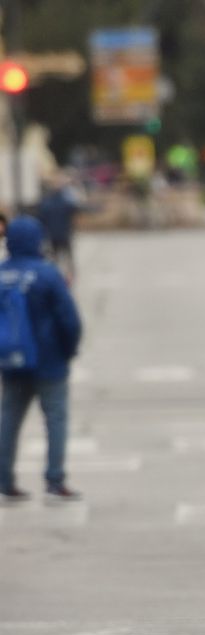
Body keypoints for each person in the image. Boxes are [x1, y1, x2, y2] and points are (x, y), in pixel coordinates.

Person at [0, 216, 84, 504]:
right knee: (56, 420)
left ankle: (5, 480)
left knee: (9, 420)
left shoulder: (1, 274)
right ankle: (54, 479)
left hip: (11, 362)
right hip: (49, 362)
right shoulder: (47, 274)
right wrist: (69, 350)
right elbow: (69, 320)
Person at [34, 174, 84, 282]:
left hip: (53, 236)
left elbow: (41, 219)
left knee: (55, 258)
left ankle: (56, 276)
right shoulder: (66, 200)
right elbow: (77, 208)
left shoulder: (46, 202)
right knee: (67, 257)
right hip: (64, 234)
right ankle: (70, 276)